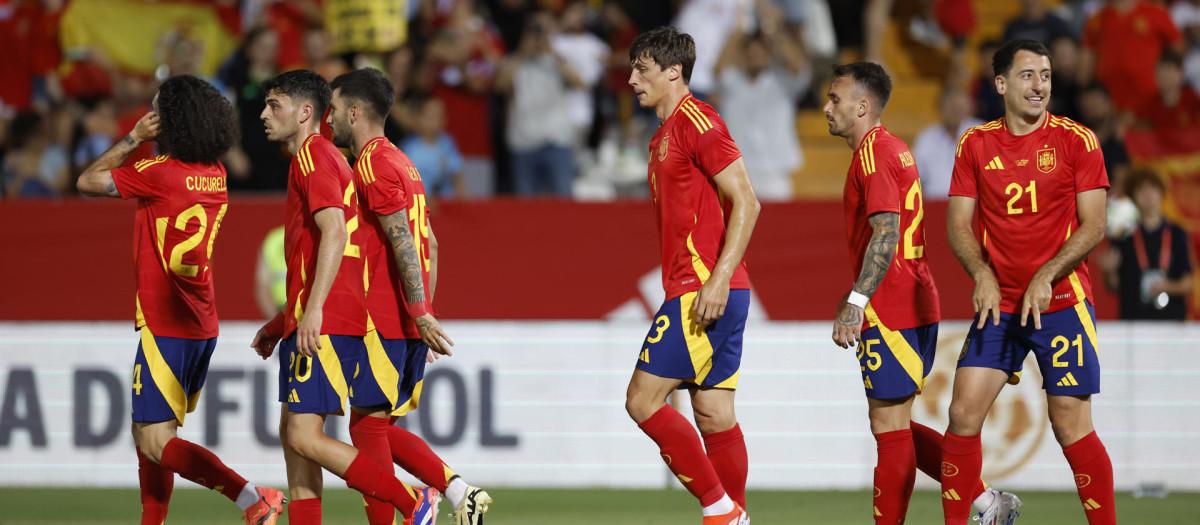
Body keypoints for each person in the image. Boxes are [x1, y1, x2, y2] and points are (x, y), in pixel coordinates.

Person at [75, 74, 287, 525]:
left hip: (166, 321)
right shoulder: (217, 175)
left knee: (154, 442)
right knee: (150, 435)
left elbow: (87, 181)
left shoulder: (158, 175)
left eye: (156, 113)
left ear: (170, 123)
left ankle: (252, 496)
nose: (149, 119)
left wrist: (133, 137)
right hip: (199, 322)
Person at [824, 62, 1020, 525]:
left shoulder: (874, 154)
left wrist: (856, 301)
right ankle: (987, 503)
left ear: (862, 106)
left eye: (835, 99)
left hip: (892, 307)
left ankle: (981, 506)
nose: (827, 107)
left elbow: (886, 233)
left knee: (889, 429)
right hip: (911, 300)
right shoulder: (893, 149)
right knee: (894, 426)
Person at [247, 70, 434, 525]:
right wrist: (279, 324)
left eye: (275, 105)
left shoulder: (313, 156)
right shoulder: (331, 159)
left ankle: (413, 503)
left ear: (304, 112)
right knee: (295, 441)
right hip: (319, 317)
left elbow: (334, 233)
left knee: (305, 436)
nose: (263, 114)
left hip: (325, 321)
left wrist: (311, 314)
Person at [944, 39, 1114, 525]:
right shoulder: (974, 144)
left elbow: (1094, 225)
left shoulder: (1076, 140)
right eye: (1027, 75)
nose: (1039, 85)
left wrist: (1045, 275)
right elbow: (958, 225)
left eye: (1045, 75)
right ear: (1001, 84)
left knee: (1070, 423)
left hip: (1061, 303)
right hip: (1000, 307)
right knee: (961, 415)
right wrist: (981, 274)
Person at [327, 67, 492, 525]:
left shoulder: (372, 165)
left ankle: (411, 511)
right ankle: (460, 492)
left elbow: (402, 239)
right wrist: (424, 315)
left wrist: (418, 314)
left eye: (335, 109)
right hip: (407, 316)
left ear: (355, 111)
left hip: (386, 316)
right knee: (377, 426)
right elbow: (430, 246)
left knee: (365, 427)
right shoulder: (404, 161)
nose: (330, 119)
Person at [623, 26, 760, 525]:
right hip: (706, 288)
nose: (632, 78)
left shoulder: (697, 120)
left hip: (703, 290)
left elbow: (747, 200)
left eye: (642, 68)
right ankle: (734, 514)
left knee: (641, 400)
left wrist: (718, 278)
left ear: (673, 71)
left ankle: (722, 511)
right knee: (713, 415)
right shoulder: (663, 134)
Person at [714, 0, 811, 202]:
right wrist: (738, 30)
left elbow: (799, 68)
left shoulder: (782, 84)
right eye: (751, 53)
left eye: (761, 52)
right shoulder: (733, 83)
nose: (756, 57)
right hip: (738, 174)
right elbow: (718, 70)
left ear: (769, 55)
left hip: (774, 176)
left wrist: (775, 31)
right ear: (744, 55)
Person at [1099, 169, 1194, 320]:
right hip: (1133, 321)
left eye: (1152, 188)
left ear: (1161, 193)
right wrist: (1109, 272)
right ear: (1133, 197)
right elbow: (1114, 286)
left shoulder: (1177, 234)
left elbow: (1189, 284)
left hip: (1171, 320)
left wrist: (1167, 287)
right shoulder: (1122, 233)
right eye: (1141, 190)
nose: (1148, 195)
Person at [912, 86, 984, 201]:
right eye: (950, 108)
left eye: (958, 108)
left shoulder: (982, 134)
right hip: (933, 207)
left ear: (968, 108)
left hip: (973, 207)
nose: (954, 113)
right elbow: (914, 178)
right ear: (940, 108)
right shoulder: (927, 137)